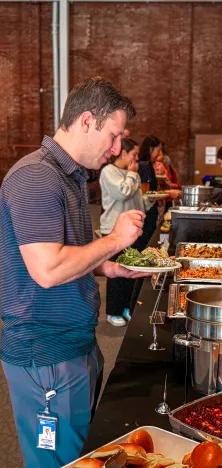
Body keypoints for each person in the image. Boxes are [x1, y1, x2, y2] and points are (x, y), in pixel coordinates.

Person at [0, 77, 148, 467]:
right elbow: (48, 270)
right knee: (60, 461)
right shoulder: (36, 176)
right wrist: (115, 240)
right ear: (86, 121)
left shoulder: (70, 174)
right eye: (113, 137)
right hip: (46, 352)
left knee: (81, 454)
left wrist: (107, 266)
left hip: (74, 343)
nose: (117, 149)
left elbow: (70, 251)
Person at [100, 138, 156, 326]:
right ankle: (113, 311)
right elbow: (122, 193)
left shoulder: (133, 173)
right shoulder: (109, 171)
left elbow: (137, 198)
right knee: (116, 272)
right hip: (114, 229)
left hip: (133, 230)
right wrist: (132, 174)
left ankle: (127, 307)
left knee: (131, 270)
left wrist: (151, 200)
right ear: (123, 153)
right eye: (134, 154)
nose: (137, 159)